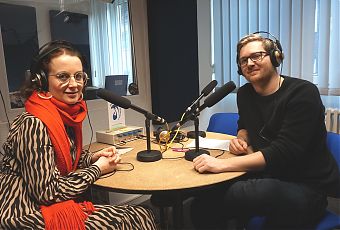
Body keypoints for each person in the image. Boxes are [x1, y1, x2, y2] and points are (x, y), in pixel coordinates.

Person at [0, 40, 157, 229]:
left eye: (78, 76)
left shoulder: (64, 115)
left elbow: (63, 159)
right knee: (137, 217)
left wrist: (92, 158)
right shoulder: (33, 123)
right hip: (25, 213)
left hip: (44, 204)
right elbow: (48, 192)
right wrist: (98, 168)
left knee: (141, 214)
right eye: (63, 76)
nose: (74, 84)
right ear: (41, 80)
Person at [190, 32, 340, 229]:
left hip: (307, 185)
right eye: (244, 60)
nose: (250, 63)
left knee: (248, 192)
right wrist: (242, 136)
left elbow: (283, 152)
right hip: (268, 175)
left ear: (276, 57)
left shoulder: (303, 93)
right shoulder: (244, 94)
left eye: (257, 56)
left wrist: (220, 165)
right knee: (203, 199)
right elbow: (244, 123)